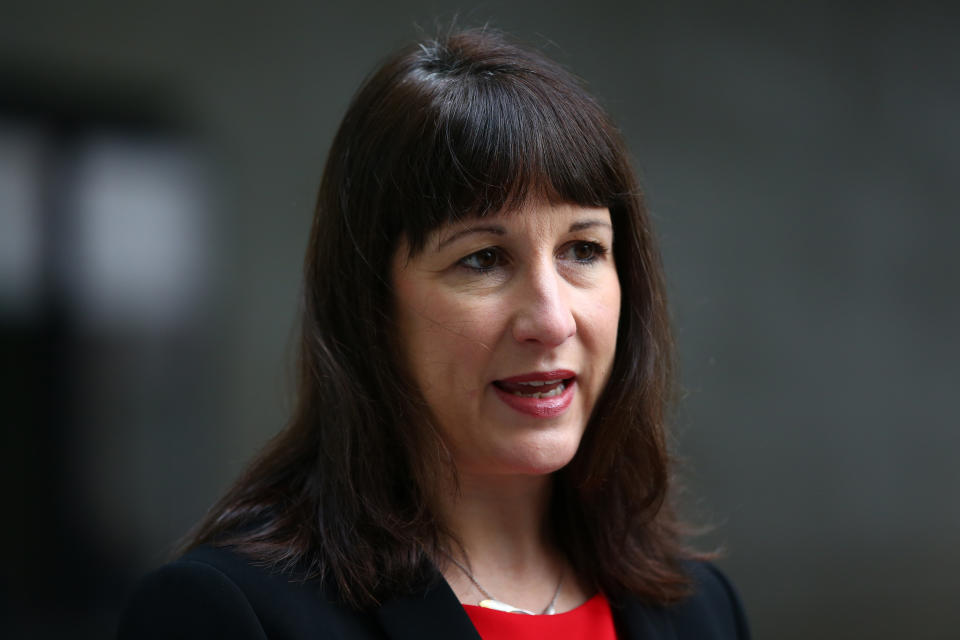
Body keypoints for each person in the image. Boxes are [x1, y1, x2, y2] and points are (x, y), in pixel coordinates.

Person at [118, 28, 750, 639]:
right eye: (483, 259)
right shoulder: (229, 613)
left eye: (582, 250)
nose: (553, 320)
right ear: (371, 304)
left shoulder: (699, 607)